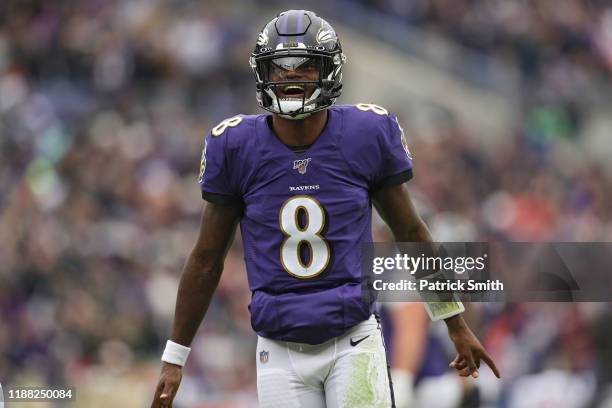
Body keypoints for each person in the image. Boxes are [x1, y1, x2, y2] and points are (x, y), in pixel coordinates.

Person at [151, 9, 500, 408]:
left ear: (328, 71)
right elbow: (206, 259)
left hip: (353, 339)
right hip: (278, 349)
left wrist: (454, 322)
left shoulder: (365, 134)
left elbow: (410, 232)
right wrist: (174, 357)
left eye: (305, 66)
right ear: (263, 73)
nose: (292, 76)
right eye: (280, 68)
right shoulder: (235, 147)